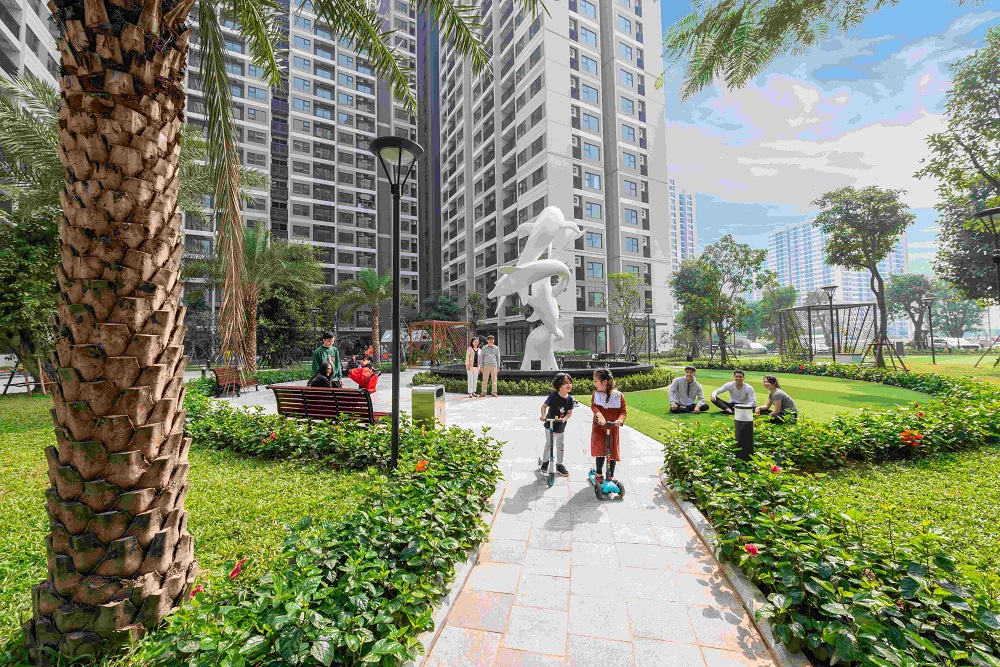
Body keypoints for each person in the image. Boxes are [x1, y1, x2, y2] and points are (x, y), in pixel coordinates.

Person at [591, 368, 626, 486]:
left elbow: (623, 411)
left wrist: (620, 420)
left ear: (604, 382)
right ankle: (599, 472)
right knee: (600, 449)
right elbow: (594, 406)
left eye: (596, 381)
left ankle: (611, 474)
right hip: (599, 427)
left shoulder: (618, 396)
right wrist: (599, 415)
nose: (594, 383)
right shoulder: (596, 395)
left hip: (612, 428)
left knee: (612, 451)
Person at [539, 372, 574, 476]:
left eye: (570, 383)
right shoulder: (553, 395)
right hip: (550, 424)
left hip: (560, 426)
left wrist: (565, 418)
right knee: (549, 444)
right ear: (559, 385)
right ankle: (545, 462)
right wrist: (543, 415)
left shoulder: (570, 399)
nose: (569, 385)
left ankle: (559, 465)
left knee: (560, 445)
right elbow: (544, 406)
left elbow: (569, 412)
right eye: (566, 383)